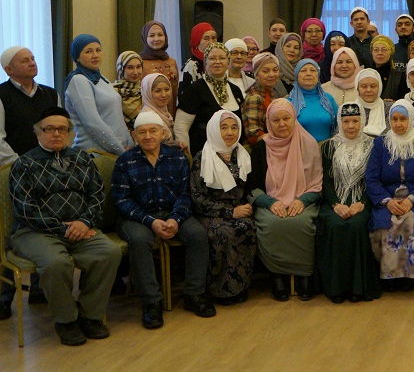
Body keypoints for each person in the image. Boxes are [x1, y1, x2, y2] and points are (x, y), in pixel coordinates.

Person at [8, 107, 122, 346]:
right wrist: (64, 229)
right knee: (55, 263)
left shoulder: (82, 159)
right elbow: (26, 210)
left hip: (81, 228)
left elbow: (97, 195)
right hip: (35, 232)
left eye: (62, 129)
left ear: (70, 133)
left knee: (109, 253)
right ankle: (66, 320)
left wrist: (84, 222)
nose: (56, 134)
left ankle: (90, 315)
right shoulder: (24, 164)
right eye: (49, 129)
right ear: (38, 132)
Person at [113, 110, 216, 328]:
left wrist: (175, 219)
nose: (148, 136)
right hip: (137, 217)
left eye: (153, 131)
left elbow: (186, 194)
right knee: (140, 240)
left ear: (163, 133)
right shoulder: (124, 161)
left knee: (198, 234)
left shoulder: (178, 157)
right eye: (142, 132)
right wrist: (150, 221)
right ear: (134, 136)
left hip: (173, 213)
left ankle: (195, 294)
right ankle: (151, 302)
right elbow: (122, 200)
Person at [247, 99, 323, 301]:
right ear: (268, 123)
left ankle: (305, 276)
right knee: (272, 224)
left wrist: (303, 200)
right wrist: (270, 203)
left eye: (286, 118)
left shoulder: (308, 144)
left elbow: (318, 183)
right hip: (270, 201)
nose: (281, 124)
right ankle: (277, 276)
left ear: (294, 119)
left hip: (304, 199)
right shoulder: (261, 148)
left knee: (301, 223)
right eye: (276, 120)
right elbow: (252, 186)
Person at [366, 101, 414, 290]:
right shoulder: (380, 144)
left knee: (410, 221)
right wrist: (387, 201)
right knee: (385, 222)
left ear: (411, 119)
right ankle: (388, 276)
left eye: (403, 119)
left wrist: (412, 200)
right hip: (387, 199)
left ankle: (410, 275)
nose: (398, 124)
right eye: (394, 119)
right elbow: (372, 179)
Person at [316, 102, 382, 303]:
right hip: (335, 201)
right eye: (346, 121)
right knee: (334, 225)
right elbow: (326, 180)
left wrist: (362, 203)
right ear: (339, 122)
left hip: (363, 200)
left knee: (356, 225)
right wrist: (336, 205)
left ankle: (357, 288)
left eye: (355, 121)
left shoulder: (374, 145)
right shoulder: (329, 146)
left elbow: (375, 179)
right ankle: (336, 288)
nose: (351, 126)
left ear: (362, 121)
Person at [189, 110, 256, 306]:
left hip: (239, 209)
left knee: (247, 227)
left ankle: (241, 286)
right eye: (224, 127)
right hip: (210, 213)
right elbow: (197, 197)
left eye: (234, 127)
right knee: (223, 232)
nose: (230, 132)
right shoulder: (202, 157)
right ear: (213, 130)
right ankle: (220, 290)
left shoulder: (242, 154)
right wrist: (229, 212)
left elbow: (249, 188)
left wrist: (248, 205)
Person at [64, 34, 128, 156]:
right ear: (77, 57)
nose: (95, 55)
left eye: (98, 50)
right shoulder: (78, 80)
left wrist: (129, 142)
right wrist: (120, 150)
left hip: (116, 151)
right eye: (88, 51)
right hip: (96, 153)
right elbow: (92, 123)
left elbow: (118, 116)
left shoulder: (102, 78)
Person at [174, 42, 244, 153]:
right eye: (212, 58)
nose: (217, 62)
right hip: (203, 154)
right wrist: (187, 156)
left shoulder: (235, 90)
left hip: (233, 153)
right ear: (205, 62)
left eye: (222, 58)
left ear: (228, 62)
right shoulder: (195, 89)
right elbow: (181, 127)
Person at [0, 46, 61, 166]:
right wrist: (20, 164)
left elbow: (61, 129)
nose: (32, 63)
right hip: (16, 166)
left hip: (52, 163)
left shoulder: (51, 94)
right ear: (9, 69)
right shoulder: (2, 95)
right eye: (25, 61)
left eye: (33, 59)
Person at [288, 59, 338, 142]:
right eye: (303, 70)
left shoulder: (328, 99)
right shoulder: (289, 102)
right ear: (296, 76)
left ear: (318, 76)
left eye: (313, 70)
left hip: (326, 148)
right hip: (299, 148)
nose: (308, 74)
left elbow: (338, 126)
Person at [241, 52, 283, 145]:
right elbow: (254, 135)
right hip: (264, 148)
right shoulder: (255, 97)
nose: (272, 74)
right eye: (266, 71)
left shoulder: (272, 93)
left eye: (275, 70)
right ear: (256, 74)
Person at [139, 21, 180, 113]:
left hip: (171, 113)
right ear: (145, 38)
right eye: (152, 35)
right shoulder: (140, 62)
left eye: (160, 35)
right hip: (149, 114)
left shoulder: (172, 62)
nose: (156, 39)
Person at [180, 22, 218, 96]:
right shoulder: (192, 65)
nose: (211, 42)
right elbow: (186, 95)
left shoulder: (218, 62)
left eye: (213, 38)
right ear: (197, 42)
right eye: (206, 38)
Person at [355, 69, 393, 139]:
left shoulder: (390, 108)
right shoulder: (349, 109)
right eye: (364, 86)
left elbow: (390, 134)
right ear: (357, 88)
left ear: (379, 87)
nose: (368, 90)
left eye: (373, 86)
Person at [140, 73, 176, 144]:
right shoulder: (147, 118)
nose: (164, 95)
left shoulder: (164, 113)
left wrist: (176, 143)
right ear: (148, 93)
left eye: (167, 89)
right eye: (158, 91)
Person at [371, 34, 407, 101]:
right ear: (371, 53)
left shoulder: (399, 77)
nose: (380, 53)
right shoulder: (366, 74)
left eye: (384, 50)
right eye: (376, 50)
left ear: (391, 53)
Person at [273, 32, 303, 96]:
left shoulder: (303, 71)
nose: (292, 50)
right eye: (288, 46)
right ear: (280, 48)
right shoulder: (272, 70)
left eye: (296, 48)